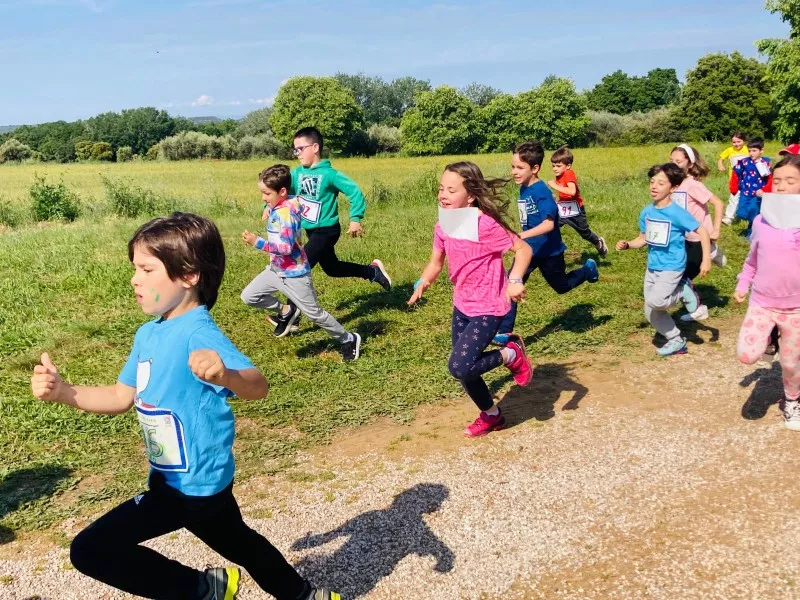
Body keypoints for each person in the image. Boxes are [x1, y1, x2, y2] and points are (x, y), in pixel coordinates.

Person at [30, 212, 339, 600]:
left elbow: (257, 387)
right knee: (242, 544)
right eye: (134, 268)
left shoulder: (198, 333)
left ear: (189, 274)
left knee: (91, 549)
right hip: (184, 479)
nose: (134, 279)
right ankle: (303, 595)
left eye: (146, 269)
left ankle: (201, 588)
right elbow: (120, 396)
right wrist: (64, 392)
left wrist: (226, 375)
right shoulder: (149, 332)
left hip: (189, 490)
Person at [408, 162, 534, 438]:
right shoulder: (444, 225)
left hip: (489, 308)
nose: (443, 194)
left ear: (471, 195)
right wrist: (423, 282)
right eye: (441, 188)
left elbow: (522, 249)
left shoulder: (485, 224)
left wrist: (514, 280)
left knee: (459, 365)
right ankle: (492, 416)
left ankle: (511, 353)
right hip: (462, 306)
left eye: (451, 190)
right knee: (466, 370)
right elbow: (435, 263)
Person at [241, 165, 361, 361]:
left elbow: (286, 248)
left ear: (282, 191)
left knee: (315, 314)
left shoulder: (285, 214)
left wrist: (258, 242)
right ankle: (287, 310)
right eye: (262, 193)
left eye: (266, 193)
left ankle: (348, 339)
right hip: (276, 271)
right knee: (249, 296)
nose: (263, 198)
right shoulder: (281, 205)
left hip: (295, 275)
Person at [276, 127, 390, 330]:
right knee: (332, 268)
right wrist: (269, 206)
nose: (297, 153)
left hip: (327, 231)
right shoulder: (296, 174)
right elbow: (282, 192)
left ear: (315, 147)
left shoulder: (329, 174)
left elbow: (354, 191)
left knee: (300, 267)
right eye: (295, 150)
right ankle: (372, 272)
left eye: (301, 148)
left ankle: (291, 313)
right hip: (311, 231)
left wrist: (355, 218)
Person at [493, 141, 599, 345]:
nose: (514, 172)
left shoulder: (540, 191)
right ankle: (504, 331)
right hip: (529, 252)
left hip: (549, 251)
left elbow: (549, 224)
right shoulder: (524, 187)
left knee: (562, 286)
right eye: (513, 166)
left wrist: (521, 236)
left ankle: (587, 270)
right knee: (512, 281)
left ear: (535, 168)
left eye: (520, 168)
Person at [615, 164, 711, 356]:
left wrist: (706, 259)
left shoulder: (677, 213)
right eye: (652, 182)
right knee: (650, 311)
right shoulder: (647, 212)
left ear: (673, 188)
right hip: (653, 266)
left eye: (661, 183)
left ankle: (684, 290)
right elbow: (643, 238)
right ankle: (676, 340)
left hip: (673, 265)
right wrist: (628, 245)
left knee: (657, 302)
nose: (654, 186)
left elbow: (702, 231)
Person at [734, 154, 800, 430]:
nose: (782, 187)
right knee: (747, 355)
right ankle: (770, 339)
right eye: (778, 181)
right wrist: (742, 283)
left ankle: (793, 402)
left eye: (791, 181)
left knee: (789, 363)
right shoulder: (761, 221)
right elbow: (753, 259)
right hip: (763, 301)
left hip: (796, 308)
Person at [669, 144, 726, 322]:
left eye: (678, 161)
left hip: (699, 237)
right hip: (683, 237)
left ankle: (699, 308)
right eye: (671, 161)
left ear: (690, 164)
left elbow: (718, 203)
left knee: (681, 276)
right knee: (676, 273)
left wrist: (716, 229)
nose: (673, 164)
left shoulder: (692, 185)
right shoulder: (674, 184)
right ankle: (712, 251)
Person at [546, 144, 608, 258]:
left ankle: (598, 242)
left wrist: (554, 185)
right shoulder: (560, 174)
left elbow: (572, 191)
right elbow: (564, 193)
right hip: (563, 210)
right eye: (553, 165)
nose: (555, 168)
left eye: (558, 166)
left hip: (576, 211)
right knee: (550, 227)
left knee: (584, 233)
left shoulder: (569, 173)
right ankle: (552, 252)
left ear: (568, 166)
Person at [733, 137, 771, 239]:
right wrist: (734, 186)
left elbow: (770, 179)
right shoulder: (744, 162)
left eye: (754, 151)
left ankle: (751, 233)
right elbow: (736, 173)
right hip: (745, 192)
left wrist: (765, 190)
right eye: (749, 151)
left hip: (757, 194)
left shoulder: (765, 163)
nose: (751, 153)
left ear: (761, 150)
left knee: (753, 213)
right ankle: (758, 223)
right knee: (741, 213)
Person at [718, 132, 748, 226]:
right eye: (734, 142)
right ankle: (728, 218)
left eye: (739, 141)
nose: (737, 144)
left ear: (744, 141)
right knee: (733, 197)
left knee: (746, 198)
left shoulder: (747, 150)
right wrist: (720, 165)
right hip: (734, 179)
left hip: (748, 179)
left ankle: (746, 216)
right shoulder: (729, 150)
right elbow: (721, 158)